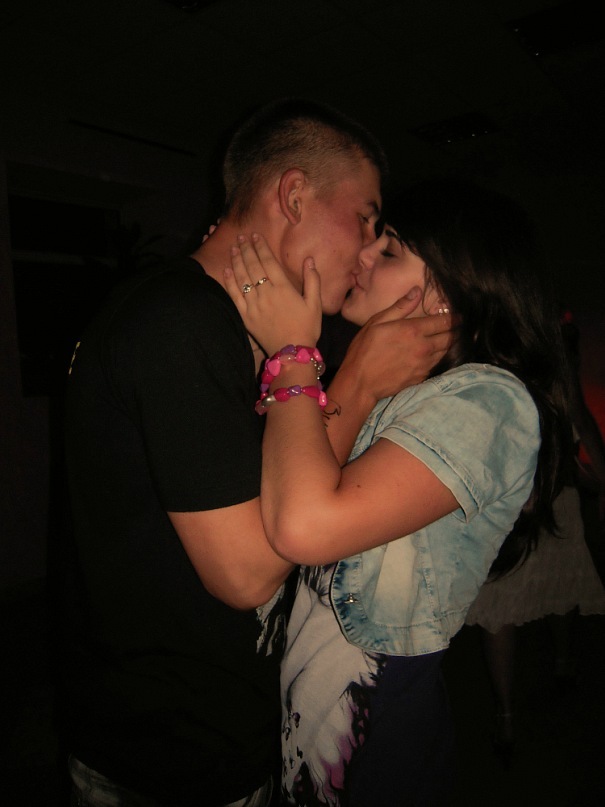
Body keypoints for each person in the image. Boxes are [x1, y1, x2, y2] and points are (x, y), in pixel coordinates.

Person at [55, 99, 452, 807]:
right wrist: (355, 382)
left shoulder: (255, 330)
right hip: (168, 756)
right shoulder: (177, 319)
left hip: (233, 726)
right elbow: (245, 574)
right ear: (294, 195)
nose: (368, 249)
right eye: (364, 219)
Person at [224, 178, 573, 806]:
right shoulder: (396, 387)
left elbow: (303, 527)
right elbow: (280, 494)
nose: (361, 255)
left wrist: (293, 354)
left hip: (376, 731)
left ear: (452, 291)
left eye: (388, 251)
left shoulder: (488, 401)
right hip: (308, 712)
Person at [464, 315, 605, 760]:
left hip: (543, 501)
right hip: (513, 506)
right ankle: (517, 705)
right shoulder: (501, 366)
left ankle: (553, 672)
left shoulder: (526, 368)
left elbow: (581, 424)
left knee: (550, 589)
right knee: (503, 603)